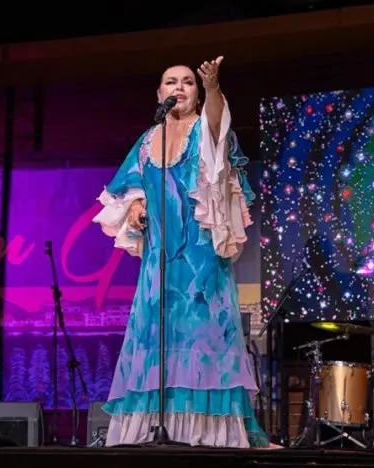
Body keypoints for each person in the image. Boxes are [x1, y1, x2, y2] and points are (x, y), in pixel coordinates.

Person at [92, 57, 270, 448]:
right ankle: (151, 429)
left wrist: (213, 88)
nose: (180, 88)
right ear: (159, 94)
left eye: (188, 82)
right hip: (160, 262)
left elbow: (218, 124)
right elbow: (131, 186)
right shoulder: (148, 139)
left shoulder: (204, 130)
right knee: (155, 337)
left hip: (201, 261)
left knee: (201, 336)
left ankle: (206, 434)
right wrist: (137, 206)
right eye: (171, 82)